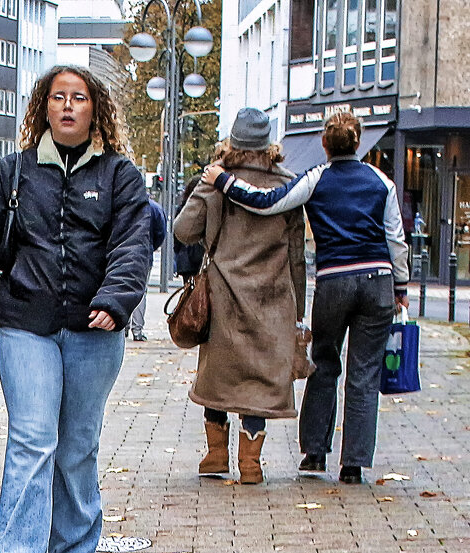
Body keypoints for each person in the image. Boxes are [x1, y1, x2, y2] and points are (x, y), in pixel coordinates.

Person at [0, 65, 151, 553]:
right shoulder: (13, 174)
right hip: (26, 326)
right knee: (32, 439)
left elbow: (132, 246)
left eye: (78, 97)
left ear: (94, 109)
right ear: (43, 107)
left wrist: (116, 300)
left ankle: (74, 552)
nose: (67, 106)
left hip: (95, 329)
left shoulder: (120, 176)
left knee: (77, 445)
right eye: (58, 97)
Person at [202, 110, 409, 484]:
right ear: (359, 142)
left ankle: (315, 454)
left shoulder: (317, 178)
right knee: (364, 374)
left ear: (325, 144)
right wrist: (401, 287)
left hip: (334, 284)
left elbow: (267, 201)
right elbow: (396, 239)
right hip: (377, 281)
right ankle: (354, 464)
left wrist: (224, 181)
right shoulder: (382, 182)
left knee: (325, 363)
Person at [173, 108, 306, 484]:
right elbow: (297, 253)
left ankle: (216, 456)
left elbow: (183, 230)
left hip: (223, 293)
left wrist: (207, 188)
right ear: (268, 145)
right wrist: (300, 307)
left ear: (232, 141)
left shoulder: (217, 181)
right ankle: (251, 463)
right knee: (256, 378)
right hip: (272, 296)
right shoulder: (289, 185)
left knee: (218, 375)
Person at [127, 196, 166, 342]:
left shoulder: (124, 203)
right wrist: (150, 247)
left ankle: (123, 325)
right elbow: (160, 232)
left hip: (122, 253)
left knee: (121, 288)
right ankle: (137, 330)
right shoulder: (154, 208)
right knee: (140, 291)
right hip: (144, 254)